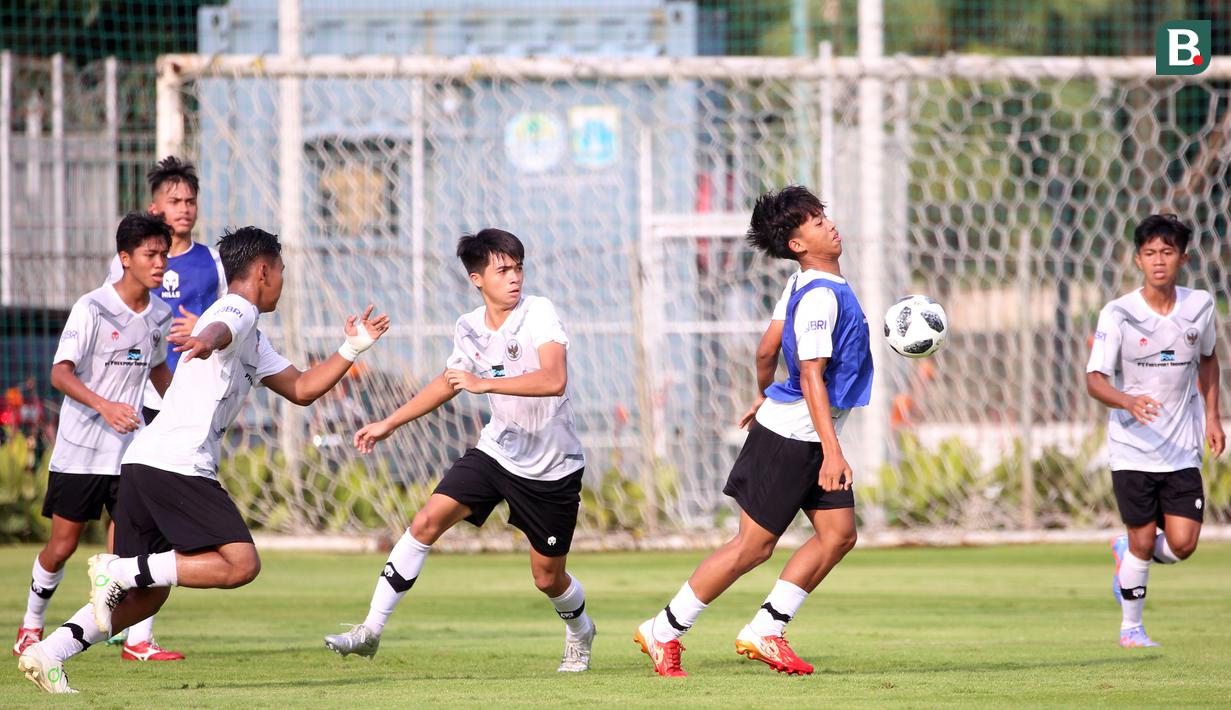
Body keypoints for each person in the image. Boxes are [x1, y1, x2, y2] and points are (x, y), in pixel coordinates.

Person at [17, 226, 390, 693]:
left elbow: (301, 388)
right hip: (177, 464)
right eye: (281, 270)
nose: (283, 280)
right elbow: (221, 327)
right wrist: (207, 339)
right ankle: (118, 570)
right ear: (262, 271)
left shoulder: (255, 337)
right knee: (240, 564)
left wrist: (352, 348)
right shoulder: (238, 309)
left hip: (145, 463)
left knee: (146, 597)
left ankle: (50, 652)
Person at [322, 229, 595, 673]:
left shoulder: (538, 312)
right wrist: (389, 423)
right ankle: (370, 630)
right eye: (502, 270)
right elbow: (448, 382)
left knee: (547, 578)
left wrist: (486, 382)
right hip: (497, 452)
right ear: (476, 278)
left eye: (518, 268)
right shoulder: (468, 326)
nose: (514, 278)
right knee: (426, 521)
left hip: (552, 468)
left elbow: (553, 379)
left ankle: (580, 631)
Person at [635, 186, 872, 677]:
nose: (829, 225)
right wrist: (833, 451)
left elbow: (766, 350)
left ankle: (767, 629)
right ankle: (664, 629)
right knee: (752, 546)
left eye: (824, 215)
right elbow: (810, 374)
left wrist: (765, 393)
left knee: (838, 535)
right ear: (796, 244)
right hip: (793, 440)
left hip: (804, 432)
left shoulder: (804, 284)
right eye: (816, 222)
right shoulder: (820, 297)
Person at [13, 213, 173, 659]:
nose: (160, 263)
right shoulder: (93, 307)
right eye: (150, 254)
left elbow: (159, 368)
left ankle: (134, 639)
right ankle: (31, 626)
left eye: (164, 255)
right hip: (81, 452)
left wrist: (183, 412)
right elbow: (59, 373)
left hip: (130, 454)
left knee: (134, 549)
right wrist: (105, 405)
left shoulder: (160, 314)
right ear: (125, 258)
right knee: (62, 546)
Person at [1085, 213, 1224, 648]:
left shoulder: (1200, 306)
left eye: (1167, 252)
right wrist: (1127, 401)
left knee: (1183, 544)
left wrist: (1213, 417)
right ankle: (1132, 629)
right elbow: (1095, 380)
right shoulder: (1119, 314)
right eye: (1149, 253)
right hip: (1132, 446)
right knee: (1143, 542)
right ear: (1137, 260)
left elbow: (1208, 359)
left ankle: (1126, 553)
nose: (1158, 261)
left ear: (1183, 258)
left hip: (1181, 447)